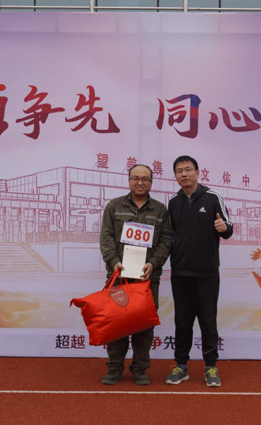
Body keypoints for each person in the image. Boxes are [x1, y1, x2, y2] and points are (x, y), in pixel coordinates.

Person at [99, 164, 172, 385]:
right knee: (117, 323)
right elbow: (106, 238)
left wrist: (153, 263)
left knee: (144, 325)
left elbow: (166, 241)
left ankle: (140, 369)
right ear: (129, 180)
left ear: (151, 182)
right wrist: (114, 261)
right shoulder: (114, 206)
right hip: (119, 276)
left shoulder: (160, 210)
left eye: (145, 179)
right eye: (135, 178)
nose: (140, 182)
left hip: (147, 278)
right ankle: (114, 368)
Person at [165, 155, 233, 388]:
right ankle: (181, 366)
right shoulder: (173, 202)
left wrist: (224, 227)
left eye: (188, 170)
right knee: (182, 322)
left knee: (208, 322)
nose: (184, 174)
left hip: (207, 274)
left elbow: (228, 229)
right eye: (179, 171)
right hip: (180, 273)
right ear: (175, 176)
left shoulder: (213, 197)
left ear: (197, 172)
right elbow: (169, 235)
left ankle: (211, 367)